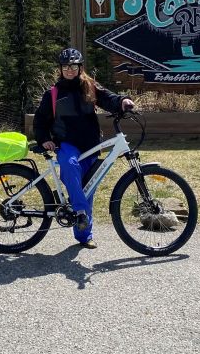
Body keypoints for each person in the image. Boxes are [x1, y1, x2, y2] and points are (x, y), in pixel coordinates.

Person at [33, 48, 134, 249]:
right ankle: (80, 213)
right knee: (69, 166)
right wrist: (44, 138)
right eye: (65, 66)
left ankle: (84, 236)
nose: (69, 70)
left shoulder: (90, 86)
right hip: (67, 143)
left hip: (90, 144)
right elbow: (40, 120)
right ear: (60, 69)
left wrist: (122, 100)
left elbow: (108, 98)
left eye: (73, 66)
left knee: (88, 189)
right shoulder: (52, 94)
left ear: (80, 67)